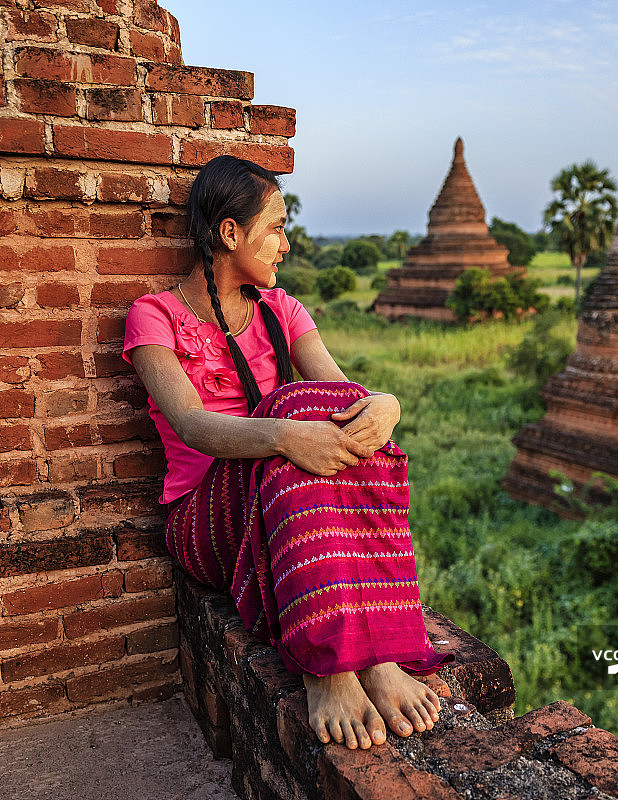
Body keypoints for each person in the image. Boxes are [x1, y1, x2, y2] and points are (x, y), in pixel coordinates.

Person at [123, 155, 451, 752]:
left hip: (280, 506)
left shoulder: (284, 311)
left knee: (330, 406)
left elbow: (344, 396)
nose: (287, 244)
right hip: (207, 519)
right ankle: (326, 668)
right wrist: (282, 433)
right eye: (275, 227)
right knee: (292, 411)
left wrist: (387, 405)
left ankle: (373, 655)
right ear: (230, 233)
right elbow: (192, 424)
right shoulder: (155, 316)